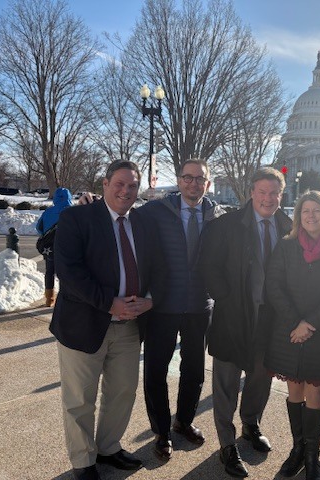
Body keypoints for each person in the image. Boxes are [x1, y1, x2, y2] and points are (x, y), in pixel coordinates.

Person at [51, 160, 165, 480]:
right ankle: (84, 461)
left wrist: (151, 300)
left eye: (131, 186)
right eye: (119, 184)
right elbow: (69, 273)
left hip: (129, 326)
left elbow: (157, 267)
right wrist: (109, 303)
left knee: (122, 392)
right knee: (80, 399)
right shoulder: (77, 218)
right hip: (83, 325)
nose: (125, 191)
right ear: (104, 184)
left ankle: (108, 447)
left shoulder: (142, 223)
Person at [199, 167, 292, 478]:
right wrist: (226, 297)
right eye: (262, 192)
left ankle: (250, 424)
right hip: (232, 316)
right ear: (252, 192)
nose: (267, 198)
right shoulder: (226, 225)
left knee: (259, 379)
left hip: (269, 320)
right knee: (225, 384)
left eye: (274, 193)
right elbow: (208, 266)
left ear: (281, 195)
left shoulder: (287, 226)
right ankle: (227, 444)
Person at [137, 159, 225, 461]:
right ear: (178, 180)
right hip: (162, 305)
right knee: (156, 371)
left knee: (194, 371)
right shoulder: (155, 212)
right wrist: (90, 204)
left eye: (200, 179)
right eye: (188, 178)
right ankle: (161, 431)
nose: (194, 184)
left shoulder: (217, 216)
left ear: (208, 184)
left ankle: (183, 421)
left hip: (200, 305)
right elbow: (119, 215)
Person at [264, 190, 320, 480]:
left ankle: (312, 455)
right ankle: (297, 449)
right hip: (287, 332)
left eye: (317, 211)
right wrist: (295, 322)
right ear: (298, 216)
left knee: (314, 394)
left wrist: (309, 324)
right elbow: (274, 286)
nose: (311, 216)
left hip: (319, 334)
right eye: (305, 211)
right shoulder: (286, 247)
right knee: (294, 391)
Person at [36, 187, 73, 306]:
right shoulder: (73, 212)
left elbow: (39, 228)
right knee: (66, 273)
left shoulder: (48, 212)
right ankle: (66, 298)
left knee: (49, 272)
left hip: (50, 248)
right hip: (68, 249)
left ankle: (49, 298)